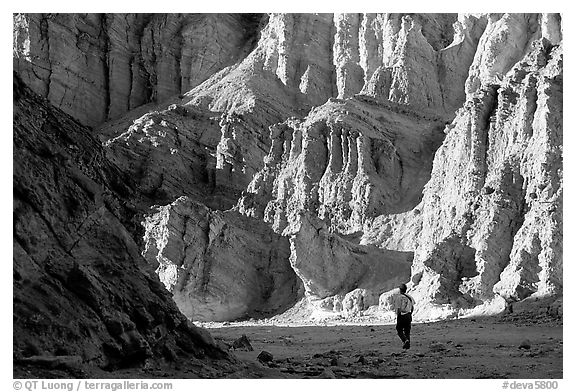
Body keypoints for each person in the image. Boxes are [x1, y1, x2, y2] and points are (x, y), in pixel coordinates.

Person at [394, 283, 415, 349]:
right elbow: (412, 307)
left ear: (400, 290)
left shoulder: (399, 297)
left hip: (402, 315)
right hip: (408, 315)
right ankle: (407, 345)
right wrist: (410, 314)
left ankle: (405, 340)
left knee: (399, 329)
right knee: (407, 331)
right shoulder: (410, 297)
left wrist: (398, 316)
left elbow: (398, 308)